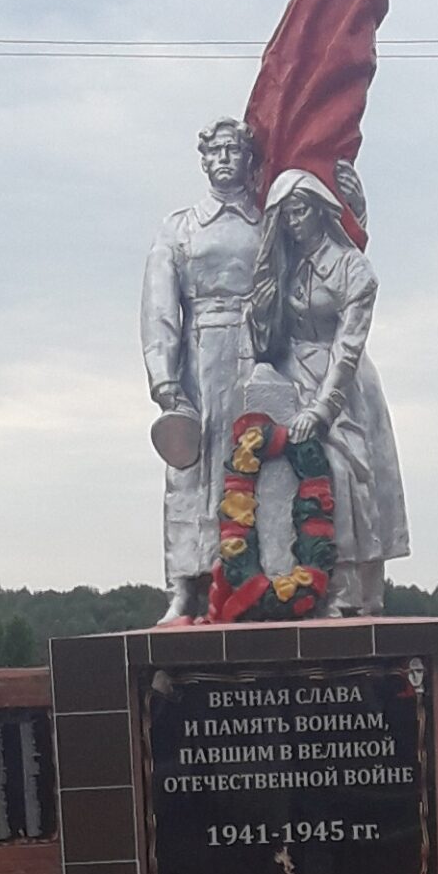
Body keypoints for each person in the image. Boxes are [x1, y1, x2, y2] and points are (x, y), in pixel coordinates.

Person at [243, 168, 409, 616]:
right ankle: (293, 581)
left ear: (319, 211)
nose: (294, 222)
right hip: (290, 375)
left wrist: (322, 409)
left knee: (342, 469)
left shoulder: (353, 269)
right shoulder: (285, 266)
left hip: (342, 384)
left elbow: (348, 346)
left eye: (300, 211)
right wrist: (262, 298)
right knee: (285, 472)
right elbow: (265, 337)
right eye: (286, 215)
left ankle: (349, 587)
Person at [140, 119, 265, 623]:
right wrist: (165, 379)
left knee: (254, 465)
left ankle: (256, 577)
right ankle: (186, 584)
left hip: (257, 356)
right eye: (216, 151)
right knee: (190, 472)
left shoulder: (266, 223)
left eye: (234, 150)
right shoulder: (180, 227)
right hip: (199, 360)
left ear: (249, 159)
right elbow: (159, 307)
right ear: (204, 160)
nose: (225, 159)